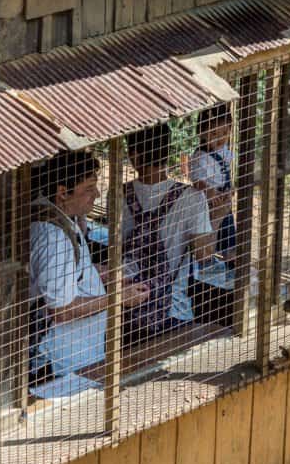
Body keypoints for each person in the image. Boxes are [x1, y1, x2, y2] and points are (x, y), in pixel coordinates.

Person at [29, 149, 148, 395]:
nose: (96, 194)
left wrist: (107, 273)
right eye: (88, 188)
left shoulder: (62, 217)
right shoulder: (54, 237)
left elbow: (67, 273)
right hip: (64, 362)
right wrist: (118, 298)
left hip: (79, 355)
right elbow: (61, 309)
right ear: (63, 192)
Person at [122, 123, 216, 343]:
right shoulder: (192, 197)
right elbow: (205, 254)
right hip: (173, 311)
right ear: (168, 152)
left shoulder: (117, 193)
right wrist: (218, 215)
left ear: (134, 154)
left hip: (125, 310)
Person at [189, 104, 236, 260]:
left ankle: (230, 259)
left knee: (228, 232)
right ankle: (207, 261)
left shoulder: (222, 150)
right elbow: (197, 181)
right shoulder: (200, 157)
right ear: (202, 133)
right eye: (214, 133)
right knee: (210, 234)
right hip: (209, 204)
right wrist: (209, 191)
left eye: (224, 132)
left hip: (223, 198)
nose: (220, 138)